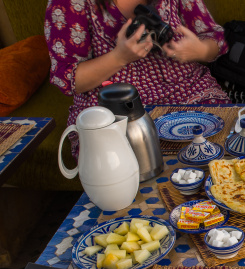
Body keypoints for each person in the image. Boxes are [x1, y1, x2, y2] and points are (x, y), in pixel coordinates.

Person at [45, 0, 231, 158]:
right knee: (119, 163)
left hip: (190, 92)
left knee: (225, 144)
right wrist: (119, 58)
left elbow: (216, 38)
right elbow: (69, 79)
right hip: (116, 107)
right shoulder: (69, 4)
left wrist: (200, 50)